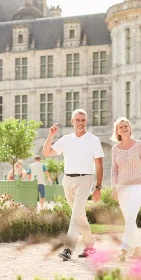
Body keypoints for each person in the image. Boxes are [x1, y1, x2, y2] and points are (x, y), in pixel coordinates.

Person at [43, 109, 104, 261]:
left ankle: (68, 249)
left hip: (85, 180)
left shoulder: (93, 140)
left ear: (86, 121)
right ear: (72, 122)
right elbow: (46, 153)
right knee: (80, 215)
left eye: (83, 120)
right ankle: (90, 247)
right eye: (77, 120)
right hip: (67, 180)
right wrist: (51, 135)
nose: (80, 123)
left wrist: (98, 187)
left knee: (75, 215)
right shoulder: (66, 139)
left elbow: (99, 165)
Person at [110, 117, 141, 262]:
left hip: (137, 186)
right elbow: (114, 170)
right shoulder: (115, 149)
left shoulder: (139, 145)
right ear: (117, 131)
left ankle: (124, 249)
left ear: (130, 128)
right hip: (121, 187)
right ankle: (138, 248)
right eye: (121, 127)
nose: (124, 128)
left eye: (126, 125)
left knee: (130, 218)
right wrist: (113, 188)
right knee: (130, 220)